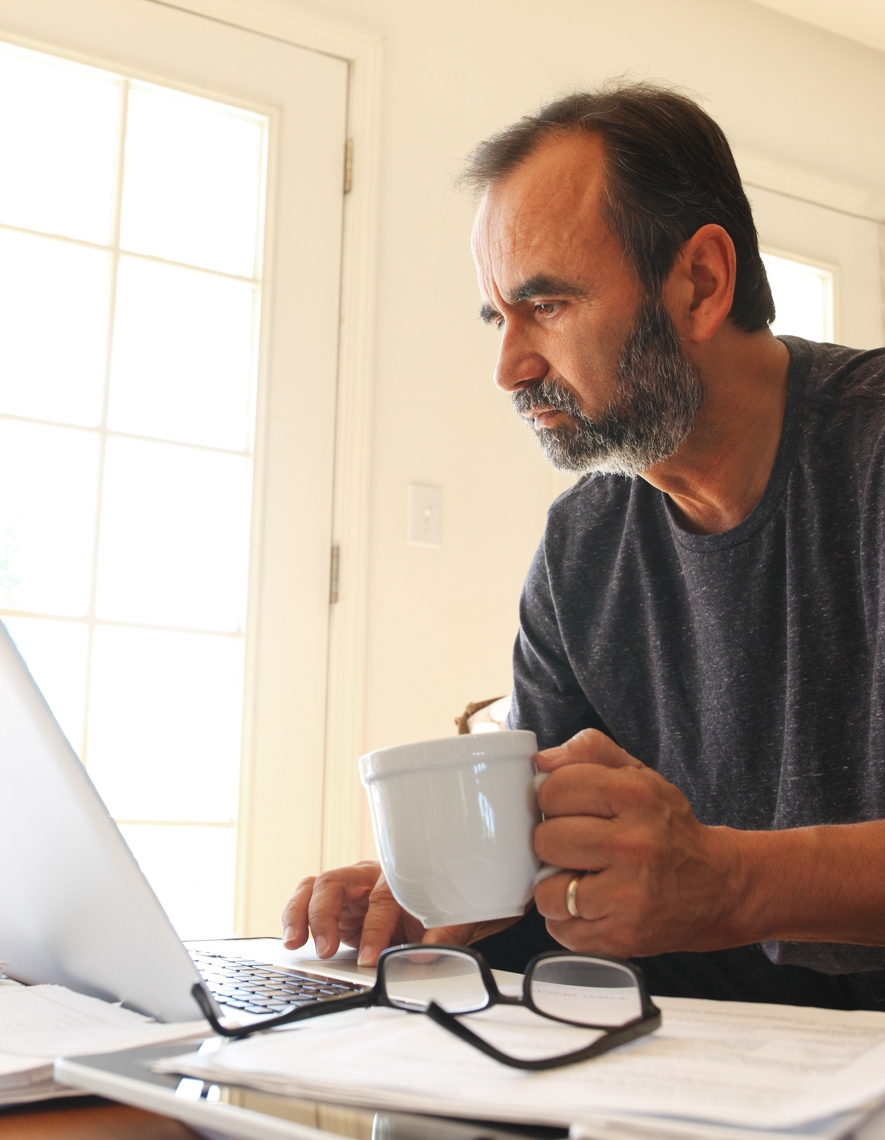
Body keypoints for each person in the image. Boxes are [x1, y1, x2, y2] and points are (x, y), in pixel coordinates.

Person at [282, 83, 885, 1010]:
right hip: (694, 1057)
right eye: (499, 318)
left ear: (701, 283)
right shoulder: (583, 547)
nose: (509, 368)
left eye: (548, 305)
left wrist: (726, 882)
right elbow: (542, 850)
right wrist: (437, 896)